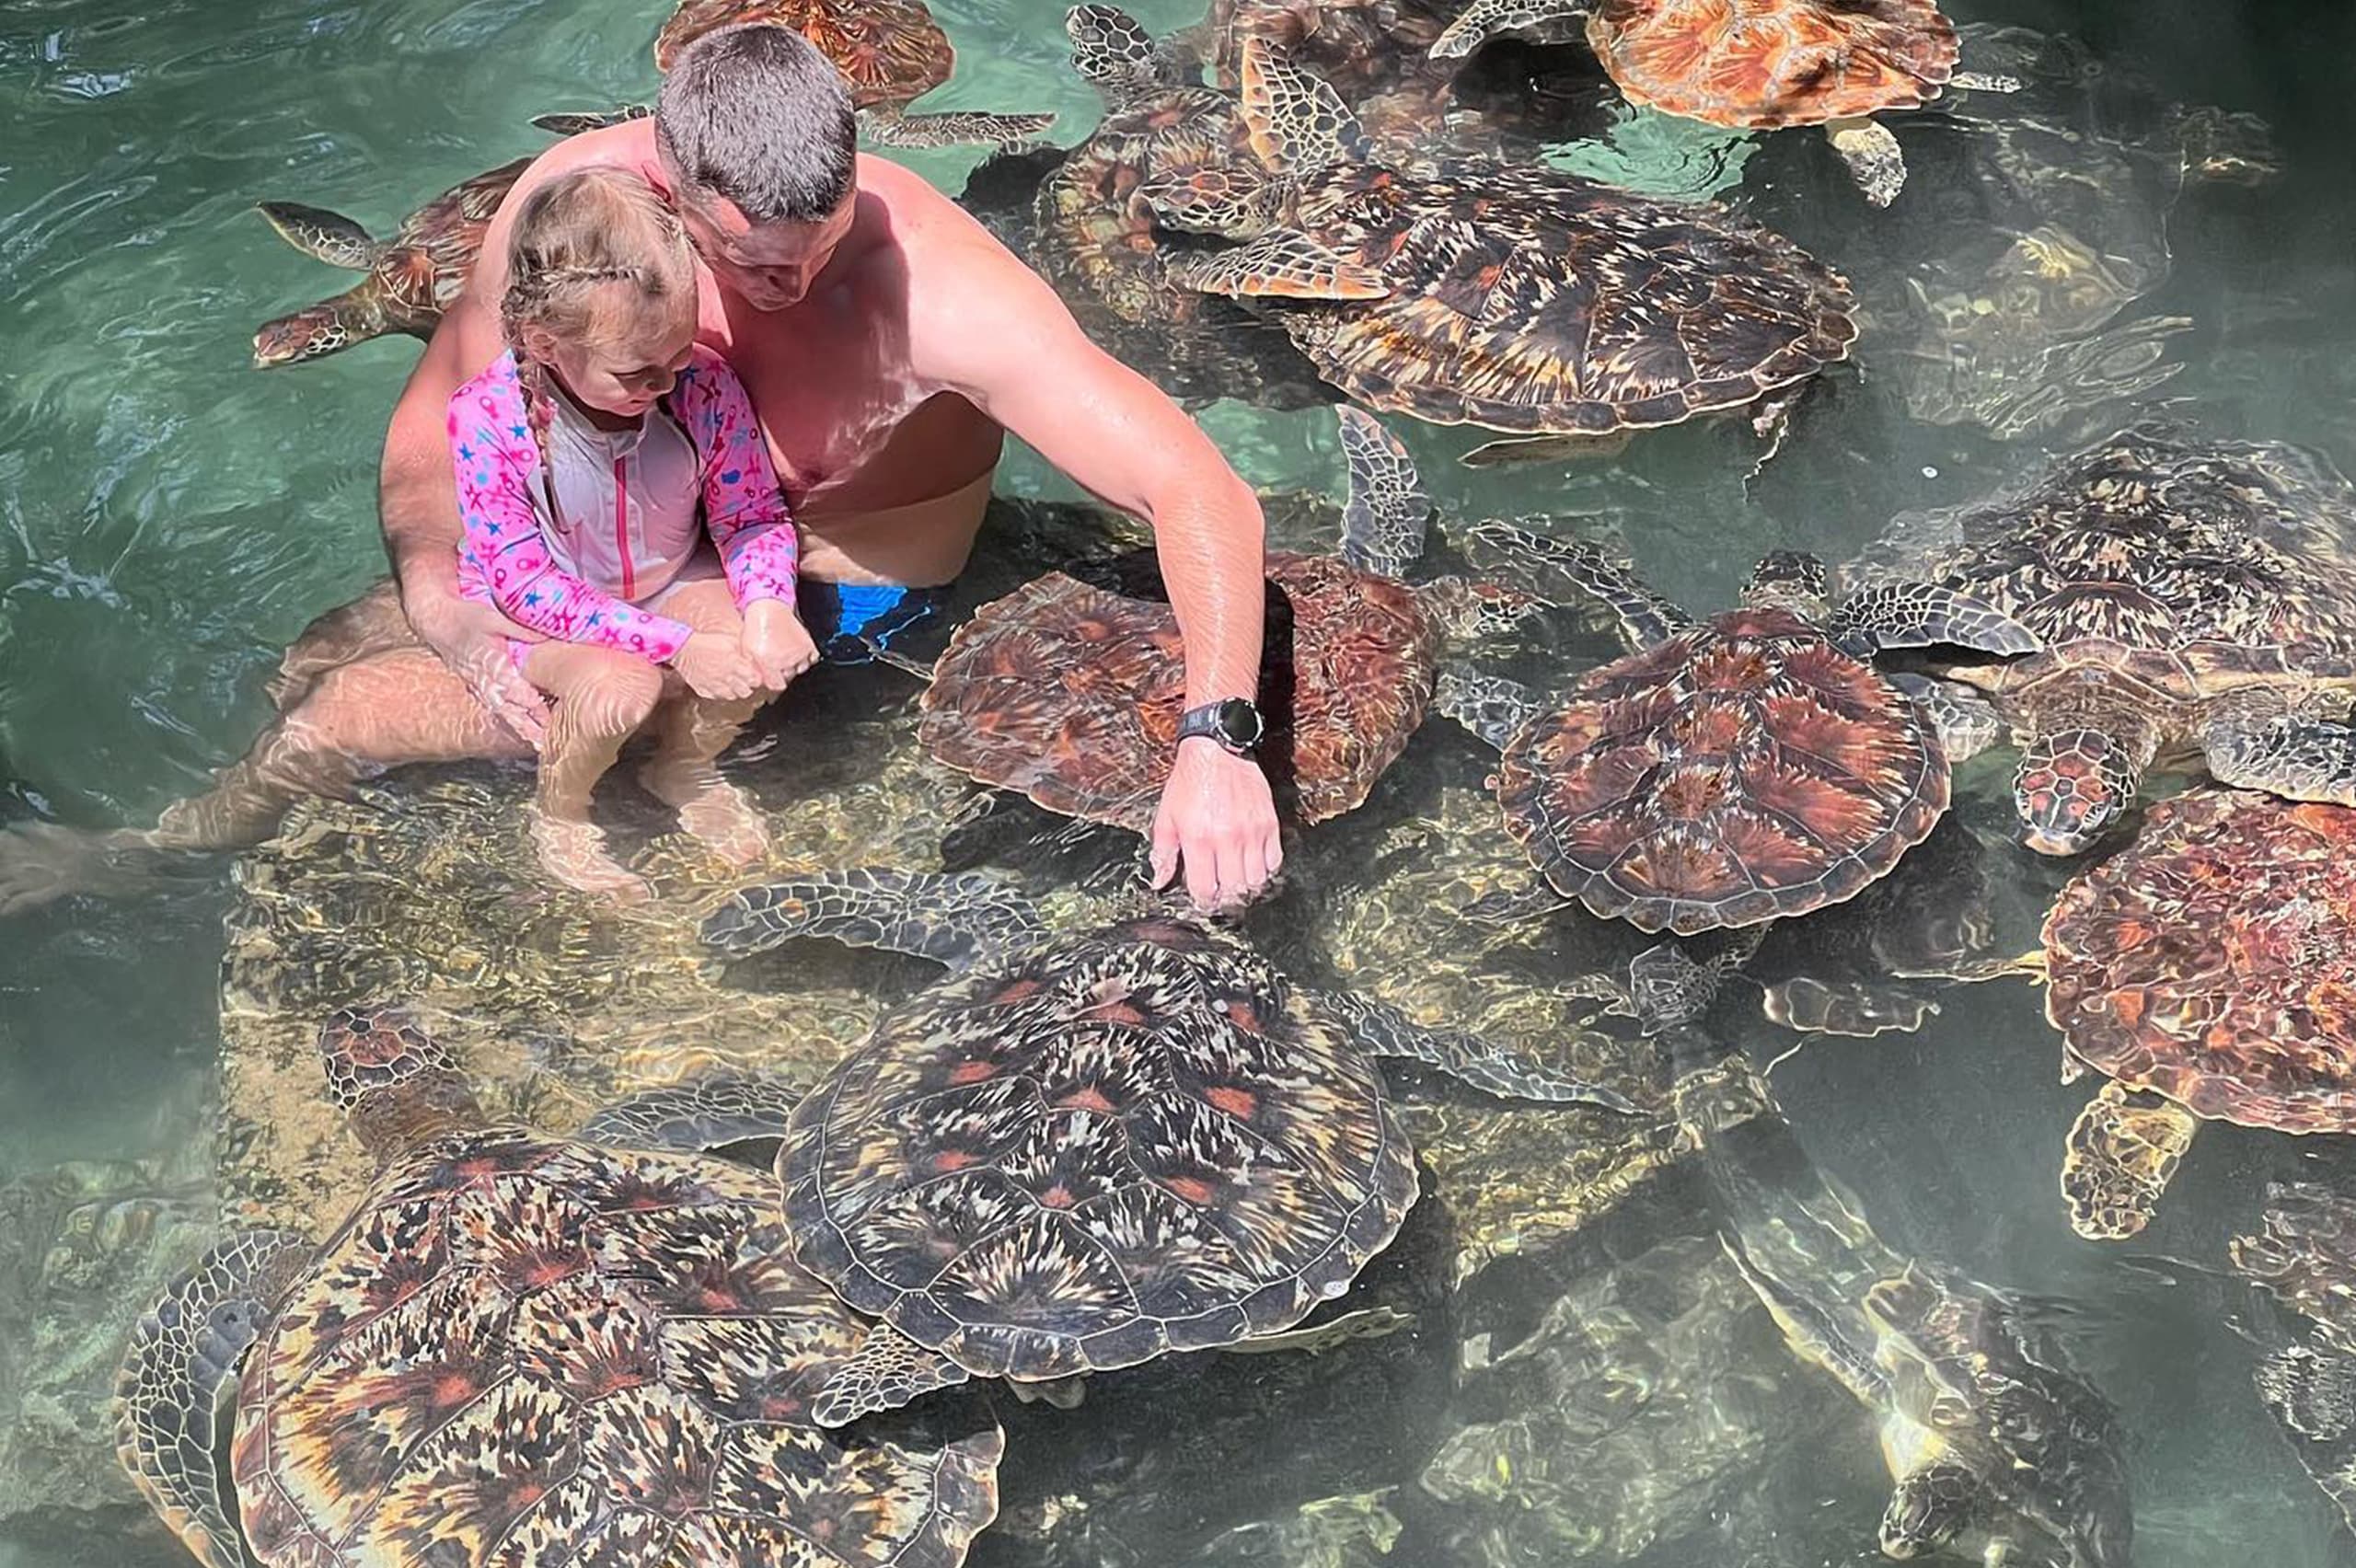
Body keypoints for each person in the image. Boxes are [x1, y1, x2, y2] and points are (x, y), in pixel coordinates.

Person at [0, 20, 1283, 914]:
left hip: (806, 593)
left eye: (819, 246)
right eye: (752, 260)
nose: (795, 283)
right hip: (607, 543)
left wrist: (1217, 739)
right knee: (317, 655)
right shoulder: (579, 215)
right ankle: (192, 826)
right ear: (666, 189)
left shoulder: (943, 299)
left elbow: (1196, 485)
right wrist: (448, 603)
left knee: (348, 720)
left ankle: (136, 858)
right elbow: (436, 417)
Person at [455, 165, 815, 897]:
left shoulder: (702, 385)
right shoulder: (489, 419)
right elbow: (524, 587)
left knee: (755, 651)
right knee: (619, 692)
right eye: (637, 372)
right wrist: (678, 647)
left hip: (666, 577)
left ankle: (681, 763)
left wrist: (771, 606)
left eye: (678, 353)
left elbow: (751, 517)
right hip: (545, 618)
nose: (665, 384)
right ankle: (561, 812)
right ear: (544, 339)